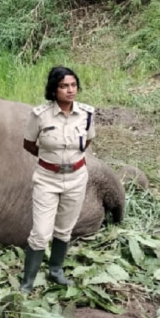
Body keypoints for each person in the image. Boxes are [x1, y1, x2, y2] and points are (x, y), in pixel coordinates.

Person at [20, 65, 96, 294]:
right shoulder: (40, 115)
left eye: (73, 85)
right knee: (41, 233)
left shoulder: (87, 114)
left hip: (76, 178)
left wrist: (70, 163)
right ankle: (27, 282)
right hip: (47, 179)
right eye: (64, 86)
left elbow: (87, 142)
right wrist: (52, 162)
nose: (70, 90)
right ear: (54, 90)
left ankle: (56, 272)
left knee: (64, 230)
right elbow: (28, 144)